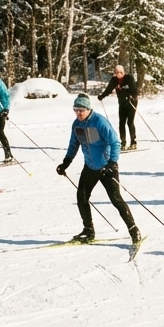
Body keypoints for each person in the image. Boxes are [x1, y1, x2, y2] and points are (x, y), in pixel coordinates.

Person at [56, 93, 141, 244]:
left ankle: (133, 229)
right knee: (81, 198)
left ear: (88, 109)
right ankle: (88, 230)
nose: (78, 113)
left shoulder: (99, 121)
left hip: (106, 167)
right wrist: (66, 162)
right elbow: (73, 145)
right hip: (90, 167)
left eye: (81, 110)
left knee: (116, 199)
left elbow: (115, 142)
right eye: (76, 110)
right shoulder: (76, 124)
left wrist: (112, 163)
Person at [98, 64, 138, 151]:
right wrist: (102, 96)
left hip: (131, 102)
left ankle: (133, 142)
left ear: (123, 72)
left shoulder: (129, 78)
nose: (119, 74)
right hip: (122, 103)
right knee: (121, 123)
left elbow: (134, 89)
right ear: (115, 73)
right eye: (117, 72)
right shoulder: (114, 80)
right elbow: (109, 89)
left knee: (130, 122)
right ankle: (123, 142)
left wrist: (132, 96)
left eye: (121, 72)